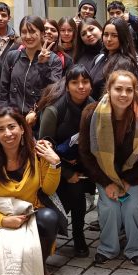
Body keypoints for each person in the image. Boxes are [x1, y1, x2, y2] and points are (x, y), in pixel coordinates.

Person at [79, 71, 138, 265]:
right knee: (109, 206)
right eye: (118, 89)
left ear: (135, 92)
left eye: (129, 90)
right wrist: (107, 183)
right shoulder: (91, 114)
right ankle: (108, 247)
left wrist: (129, 180)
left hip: (133, 173)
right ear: (108, 89)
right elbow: (85, 153)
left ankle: (136, 248)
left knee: (133, 206)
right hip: (104, 172)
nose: (123, 94)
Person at [0, 107, 64, 275]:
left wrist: (55, 164)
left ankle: (40, 264)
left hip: (31, 216)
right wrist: (4, 220)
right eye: (1, 129)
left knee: (49, 218)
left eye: (12, 127)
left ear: (22, 128)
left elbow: (48, 189)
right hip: (3, 221)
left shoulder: (38, 155)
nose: (8, 133)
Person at [37, 65, 96, 257]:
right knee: (73, 195)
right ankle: (57, 234)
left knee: (79, 196)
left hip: (82, 163)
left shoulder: (95, 107)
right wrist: (68, 173)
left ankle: (78, 234)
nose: (81, 86)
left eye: (85, 82)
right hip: (55, 165)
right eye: (75, 82)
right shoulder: (54, 110)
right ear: (67, 85)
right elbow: (43, 148)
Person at [0, 16, 64, 127]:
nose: (28, 36)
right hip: (13, 120)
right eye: (24, 32)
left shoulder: (54, 60)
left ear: (42, 33)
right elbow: (3, 90)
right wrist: (6, 116)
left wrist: (43, 65)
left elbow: (53, 92)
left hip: (38, 121)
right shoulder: (12, 56)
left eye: (32, 32)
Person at [90, 18, 138, 99]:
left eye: (114, 35)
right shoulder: (101, 57)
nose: (109, 39)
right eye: (106, 34)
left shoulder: (125, 63)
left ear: (122, 37)